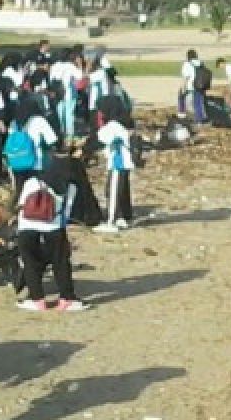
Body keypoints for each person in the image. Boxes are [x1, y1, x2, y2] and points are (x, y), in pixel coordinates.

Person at [15, 160, 87, 312]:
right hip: (54, 228)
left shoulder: (32, 181)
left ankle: (37, 300)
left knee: (30, 264)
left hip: (27, 226)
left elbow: (22, 204)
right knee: (61, 264)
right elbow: (66, 212)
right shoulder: (70, 186)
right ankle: (67, 299)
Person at [93, 104, 139, 233]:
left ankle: (111, 221)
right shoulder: (122, 124)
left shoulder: (112, 125)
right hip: (124, 163)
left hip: (117, 163)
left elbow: (101, 138)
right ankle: (121, 217)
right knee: (120, 190)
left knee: (112, 192)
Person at [179, 49, 208, 124]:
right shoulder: (201, 63)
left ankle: (182, 113)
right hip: (201, 85)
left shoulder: (187, 64)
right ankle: (200, 119)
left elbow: (186, 77)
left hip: (191, 85)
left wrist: (183, 87)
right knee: (198, 103)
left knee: (181, 95)